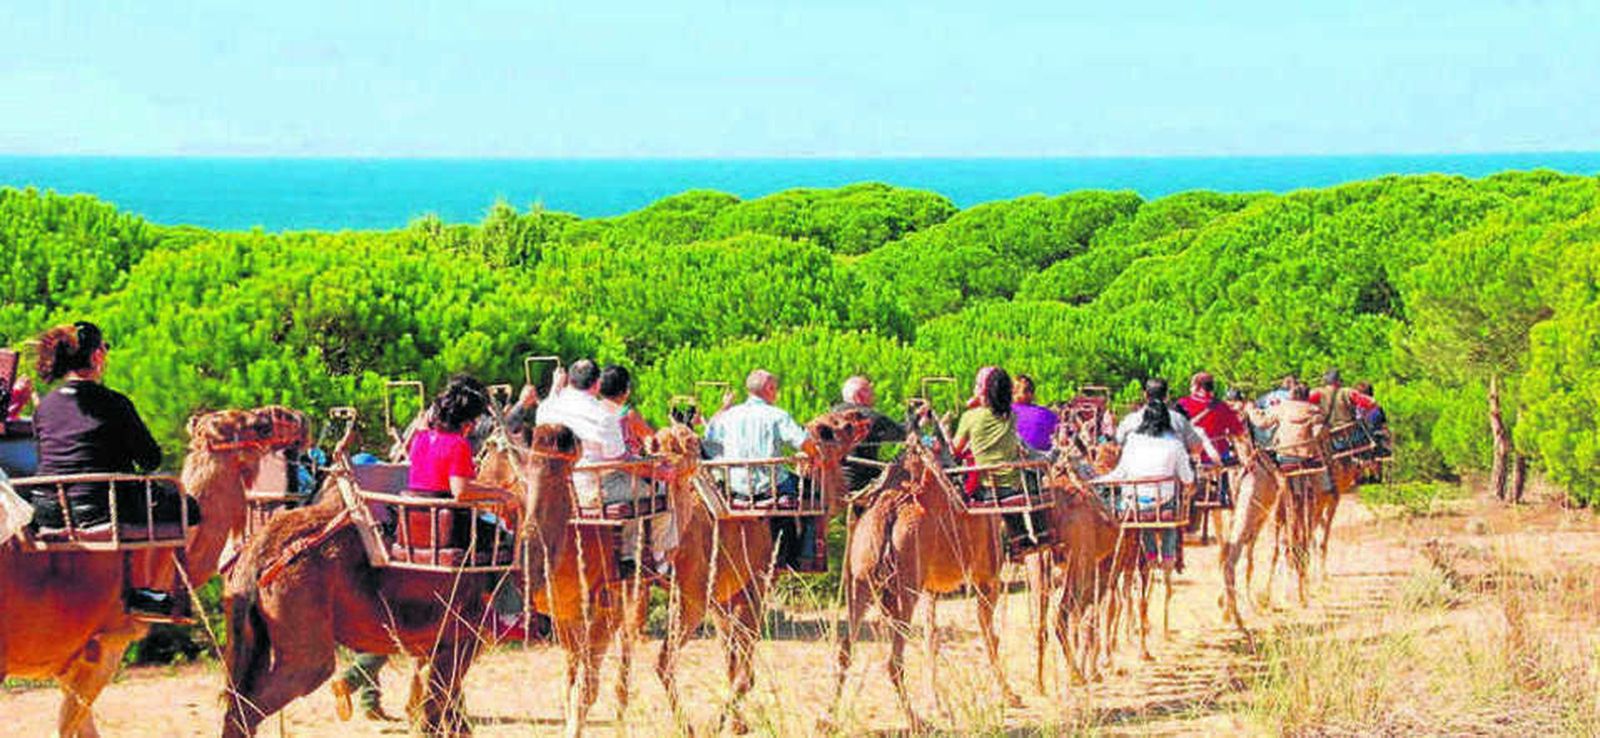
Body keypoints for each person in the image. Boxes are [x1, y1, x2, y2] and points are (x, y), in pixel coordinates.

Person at [29, 321, 196, 619]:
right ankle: (145, 588)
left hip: (50, 511)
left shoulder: (44, 407)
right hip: (101, 511)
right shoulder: (114, 403)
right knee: (187, 508)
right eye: (104, 348)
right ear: (96, 357)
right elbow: (150, 460)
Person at [537, 360, 673, 575]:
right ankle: (658, 559)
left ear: (569, 379)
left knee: (632, 483)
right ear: (597, 383)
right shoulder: (603, 416)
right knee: (660, 490)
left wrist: (556, 385)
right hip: (591, 489)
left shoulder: (547, 407)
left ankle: (633, 556)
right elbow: (621, 461)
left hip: (555, 488)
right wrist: (659, 473)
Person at [705, 369, 816, 569]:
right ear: (769, 389)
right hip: (770, 487)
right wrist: (812, 453)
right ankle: (800, 557)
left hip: (734, 487)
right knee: (812, 492)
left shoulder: (727, 416)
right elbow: (803, 443)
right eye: (775, 389)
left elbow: (709, 444)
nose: (777, 394)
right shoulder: (777, 416)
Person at [951, 367, 1051, 551]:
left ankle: (1017, 539)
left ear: (982, 390)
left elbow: (955, 451)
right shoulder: (1011, 416)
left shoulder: (970, 417)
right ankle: (1040, 534)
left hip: (986, 489)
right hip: (1014, 487)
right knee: (1029, 478)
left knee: (990, 483)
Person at [1095, 394, 1194, 569]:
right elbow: (1187, 478)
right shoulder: (1176, 444)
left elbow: (1120, 473)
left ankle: (1150, 554)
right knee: (1167, 513)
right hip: (1162, 505)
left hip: (1134, 504)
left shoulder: (1132, 441)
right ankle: (1169, 556)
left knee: (1142, 510)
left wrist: (1098, 480)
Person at [1248, 384, 1332, 491]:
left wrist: (1251, 410)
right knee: (1323, 460)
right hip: (1308, 456)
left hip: (1285, 455)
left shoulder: (1282, 408)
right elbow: (1321, 433)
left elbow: (1262, 423)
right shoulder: (1315, 410)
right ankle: (1327, 488)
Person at [831, 376, 908, 493]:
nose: (874, 396)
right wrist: (930, 439)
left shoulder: (831, 414)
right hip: (862, 482)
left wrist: (916, 420)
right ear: (859, 396)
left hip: (831, 482)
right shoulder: (870, 417)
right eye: (870, 392)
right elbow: (906, 435)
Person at [1116, 378, 1221, 464]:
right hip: (1170, 481)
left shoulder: (1129, 420)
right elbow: (1196, 446)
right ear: (1166, 397)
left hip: (1135, 481)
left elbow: (1118, 443)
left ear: (1145, 395)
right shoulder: (1178, 420)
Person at [1011, 374, 1058, 453]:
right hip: (1043, 460)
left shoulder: (1003, 413)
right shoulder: (1046, 413)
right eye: (1027, 390)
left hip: (1014, 459)